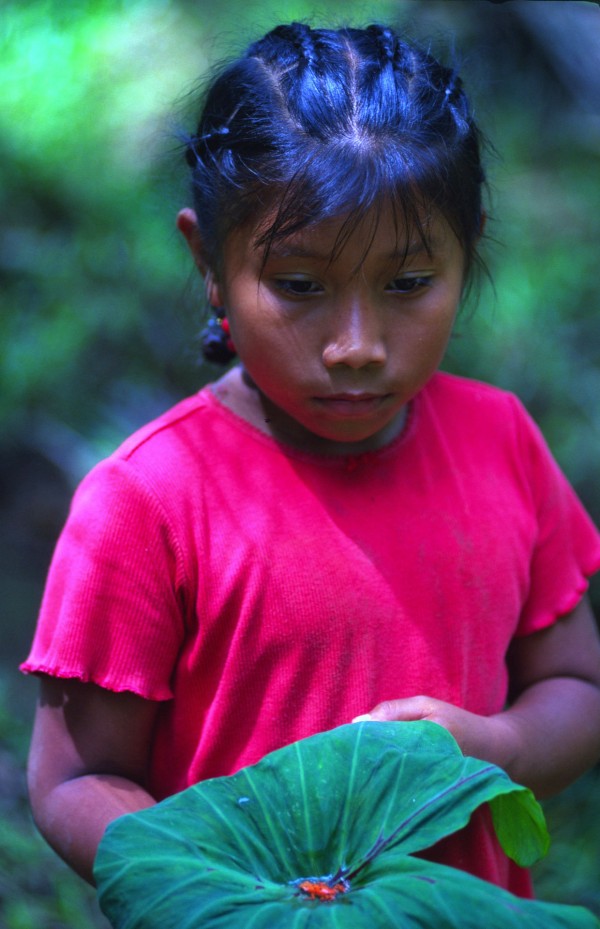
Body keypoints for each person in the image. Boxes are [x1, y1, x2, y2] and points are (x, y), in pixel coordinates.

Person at [21, 22, 600, 897]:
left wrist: (502, 748)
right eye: (300, 285)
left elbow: (574, 683)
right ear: (208, 263)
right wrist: (215, 886)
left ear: (468, 250)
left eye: (407, 284)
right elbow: (72, 780)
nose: (357, 346)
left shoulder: (503, 444)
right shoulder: (147, 501)